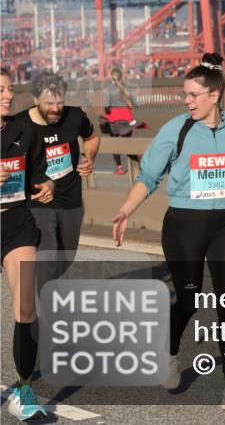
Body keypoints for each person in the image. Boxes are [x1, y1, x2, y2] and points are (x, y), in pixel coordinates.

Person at [111, 53, 225, 411]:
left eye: (193, 95)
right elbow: (148, 178)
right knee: (189, 300)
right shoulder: (176, 130)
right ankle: (171, 352)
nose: (187, 101)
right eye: (185, 94)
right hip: (183, 227)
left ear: (215, 95)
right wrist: (125, 211)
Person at [1, 67, 55, 421]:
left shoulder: (24, 131)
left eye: (8, 89)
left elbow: (38, 173)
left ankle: (23, 390)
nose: (8, 95)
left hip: (15, 221)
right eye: (0, 90)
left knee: (26, 306)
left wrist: (46, 185)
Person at [18, 72, 99, 279]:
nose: (55, 109)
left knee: (66, 257)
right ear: (35, 100)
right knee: (48, 255)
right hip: (38, 202)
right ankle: (43, 305)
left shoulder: (74, 116)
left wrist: (88, 157)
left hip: (71, 199)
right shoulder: (20, 125)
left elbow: (91, 138)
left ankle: (47, 288)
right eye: (48, 103)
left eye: (59, 102)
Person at [103, 68, 136, 176]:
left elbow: (107, 106)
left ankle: (120, 168)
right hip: (127, 118)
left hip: (114, 119)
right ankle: (137, 166)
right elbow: (134, 103)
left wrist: (108, 111)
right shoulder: (128, 88)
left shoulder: (108, 89)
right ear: (122, 76)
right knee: (129, 144)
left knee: (115, 144)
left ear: (111, 77)